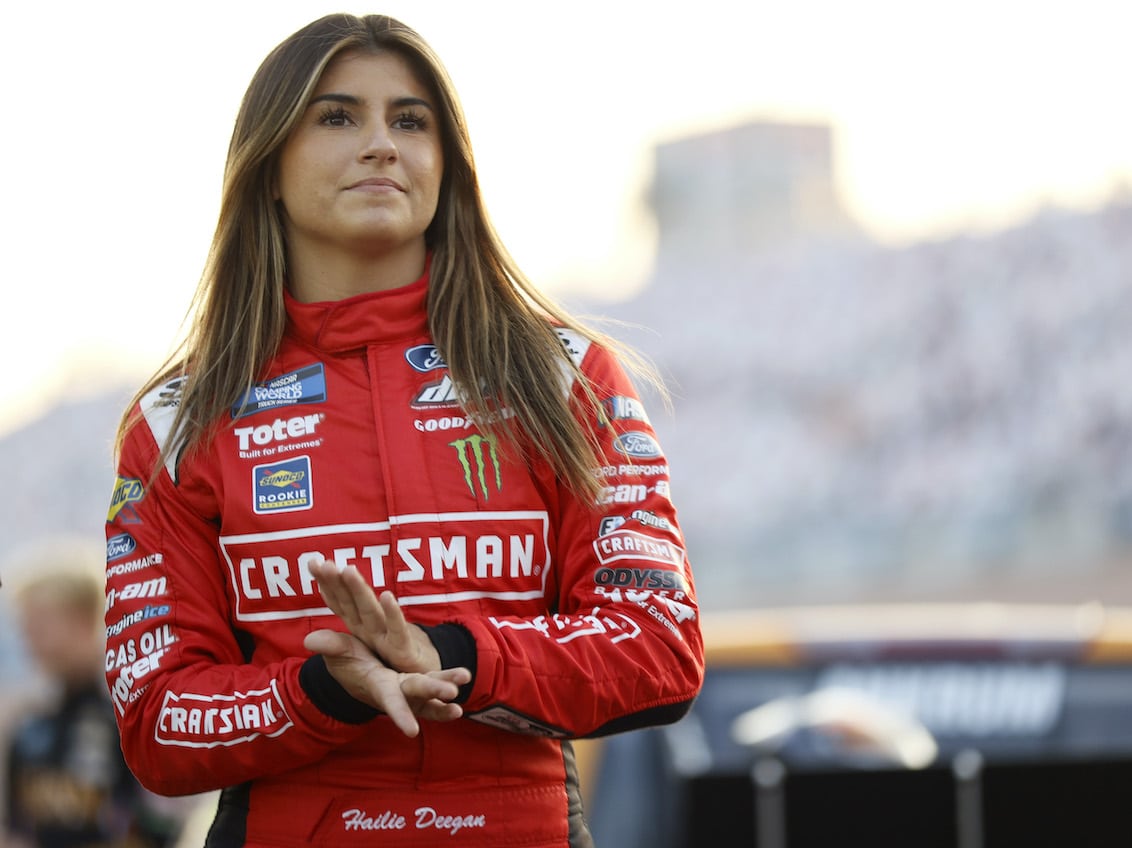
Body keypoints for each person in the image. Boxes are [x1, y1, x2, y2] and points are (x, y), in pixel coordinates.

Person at [104, 12, 703, 848]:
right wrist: (326, 692)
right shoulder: (178, 420)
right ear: (267, 166)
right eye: (338, 116)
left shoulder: (566, 375)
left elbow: (658, 644)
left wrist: (450, 652)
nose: (383, 144)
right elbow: (156, 722)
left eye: (411, 121)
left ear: (445, 168)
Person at [4, 548, 183, 847]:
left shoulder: (133, 714)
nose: (29, 637)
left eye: (41, 623)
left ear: (84, 621)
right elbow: (18, 830)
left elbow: (164, 825)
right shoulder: (27, 726)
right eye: (26, 625)